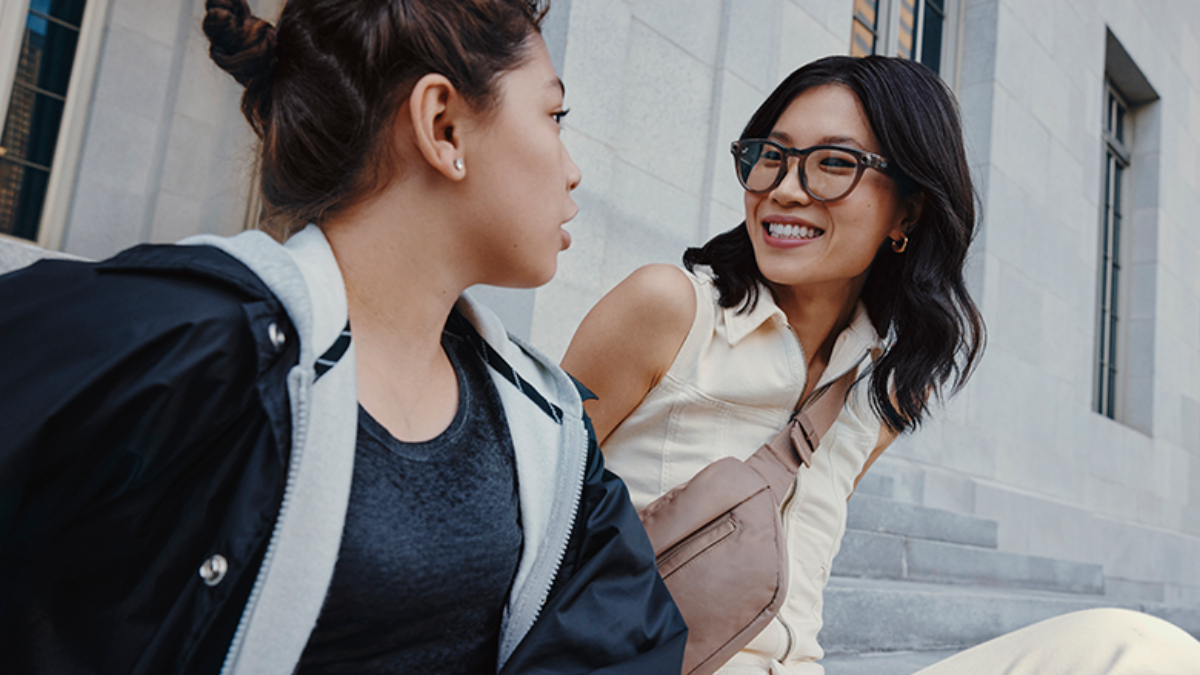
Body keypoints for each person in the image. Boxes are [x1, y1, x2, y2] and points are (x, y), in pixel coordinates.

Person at [0, 1, 686, 673]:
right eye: (554, 115)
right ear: (443, 125)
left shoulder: (551, 431)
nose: (574, 171)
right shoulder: (176, 344)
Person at [562, 55, 1200, 674]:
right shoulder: (669, 309)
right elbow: (528, 517)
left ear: (908, 211)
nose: (785, 190)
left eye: (834, 164)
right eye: (771, 158)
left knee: (1137, 649)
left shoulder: (878, 397)